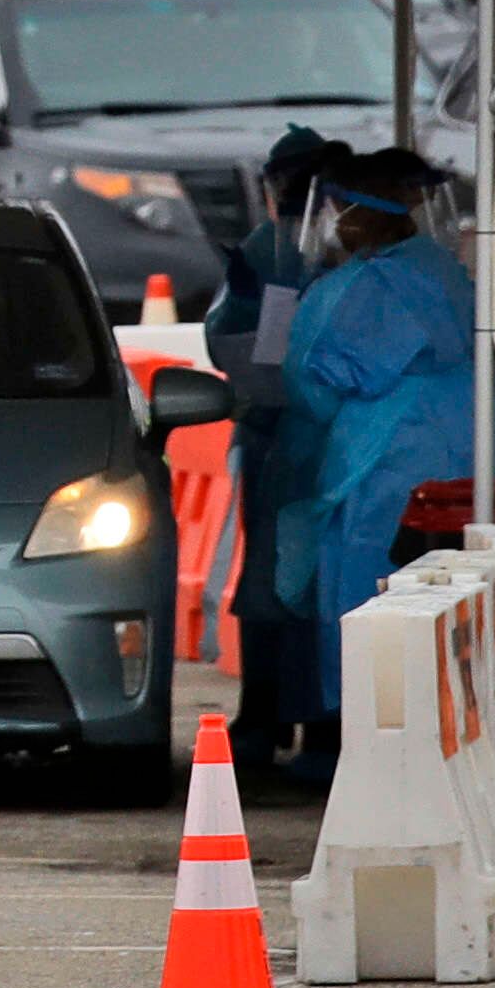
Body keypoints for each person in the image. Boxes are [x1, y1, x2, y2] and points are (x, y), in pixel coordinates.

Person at [288, 148, 474, 710]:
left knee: (369, 586)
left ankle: (373, 720)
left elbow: (315, 382)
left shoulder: (363, 288)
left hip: (380, 456)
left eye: (339, 209)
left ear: (362, 212)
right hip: (460, 442)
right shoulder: (444, 271)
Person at [211, 128, 345, 781]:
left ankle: (274, 722)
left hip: (297, 437)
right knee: (299, 583)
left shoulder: (292, 249)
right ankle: (296, 722)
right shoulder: (304, 249)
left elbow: (226, 340)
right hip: (313, 439)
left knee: (281, 583)